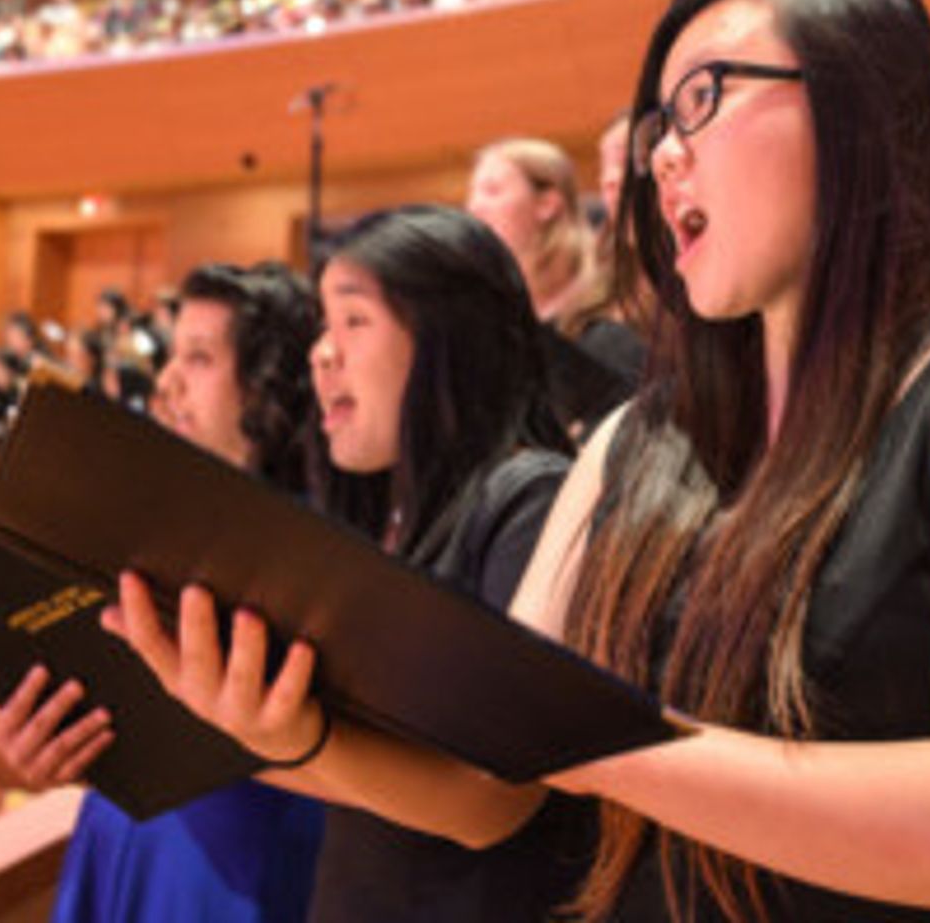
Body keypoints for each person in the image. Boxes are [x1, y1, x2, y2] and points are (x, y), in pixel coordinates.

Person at [121, 0, 930, 923]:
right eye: (660, 120)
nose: (662, 154)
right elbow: (490, 779)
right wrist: (286, 732)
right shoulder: (633, 439)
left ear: (862, 112)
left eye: (704, 98)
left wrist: (609, 745)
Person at [110, 205, 590, 923]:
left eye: (354, 321)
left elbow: (494, 799)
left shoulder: (530, 494)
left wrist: (295, 736)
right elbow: (358, 778)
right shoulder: (395, 515)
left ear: (448, 337)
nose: (321, 354)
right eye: (322, 328)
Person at [0, 262, 324, 923]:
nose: (166, 382)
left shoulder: (319, 556)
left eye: (198, 358)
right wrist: (61, 739)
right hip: (121, 833)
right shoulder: (145, 527)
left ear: (268, 388)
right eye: (171, 356)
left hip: (239, 864)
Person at [468, 137, 645, 435]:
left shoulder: (609, 300)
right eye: (473, 193)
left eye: (492, 191)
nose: (474, 206)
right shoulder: (491, 306)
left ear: (547, 204)